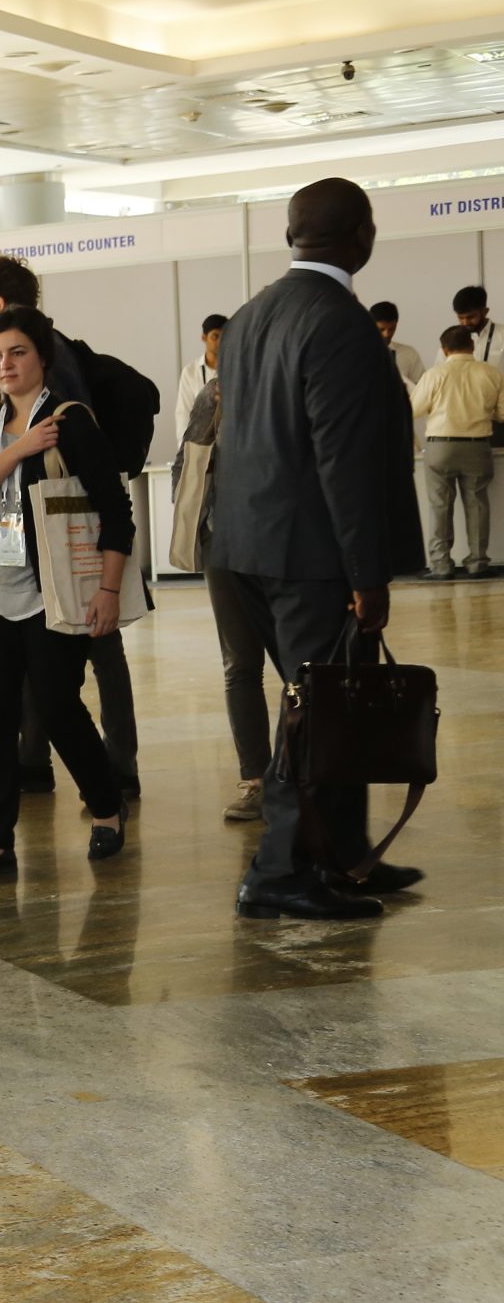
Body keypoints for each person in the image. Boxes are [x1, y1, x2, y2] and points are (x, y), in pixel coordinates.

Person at [210, 178, 425, 920]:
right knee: (314, 715)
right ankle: (279, 872)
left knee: (334, 707)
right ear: (362, 236)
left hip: (246, 545)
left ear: (290, 236)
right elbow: (345, 460)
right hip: (310, 557)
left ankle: (344, 853)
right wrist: (368, 576)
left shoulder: (249, 315)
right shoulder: (340, 322)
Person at [0, 307, 132, 880]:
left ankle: (106, 806)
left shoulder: (70, 423)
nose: (5, 365)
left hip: (50, 594)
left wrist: (108, 589)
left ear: (42, 357)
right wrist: (18, 449)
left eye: (17, 352)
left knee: (57, 710)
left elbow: (117, 513)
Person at [0, 255, 145, 800]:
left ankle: (110, 775)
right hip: (34, 559)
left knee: (84, 667)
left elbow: (79, 463)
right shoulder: (4, 400)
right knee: (62, 677)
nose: (4, 362)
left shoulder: (52, 369)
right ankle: (49, 762)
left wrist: (108, 585)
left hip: (66, 552)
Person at [177, 358, 274, 823]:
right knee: (240, 665)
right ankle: (257, 780)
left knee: (303, 669)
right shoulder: (214, 393)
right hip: (225, 546)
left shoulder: (290, 386)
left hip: (286, 547)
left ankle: (305, 777)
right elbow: (186, 463)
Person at [411, 323, 503, 580]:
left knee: (439, 506)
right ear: (472, 346)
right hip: (478, 446)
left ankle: (441, 565)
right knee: (477, 505)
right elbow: (502, 413)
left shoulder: (434, 375)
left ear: (444, 349)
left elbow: (413, 409)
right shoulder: (491, 374)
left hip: (441, 446)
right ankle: (477, 563)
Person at [174, 313, 224, 453]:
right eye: (215, 336)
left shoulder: (235, 369)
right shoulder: (190, 372)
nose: (220, 341)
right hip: (198, 448)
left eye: (224, 336)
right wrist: (185, 452)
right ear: (204, 337)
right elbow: (183, 414)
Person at [373, 301, 424, 385]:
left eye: (391, 329)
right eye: (381, 329)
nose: (386, 334)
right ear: (371, 325)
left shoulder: (409, 353)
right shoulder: (359, 353)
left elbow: (421, 386)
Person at [456, 284, 495, 365]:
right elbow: (440, 369)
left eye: (470, 317)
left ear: (485, 312)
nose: (465, 323)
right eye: (461, 318)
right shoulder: (452, 340)